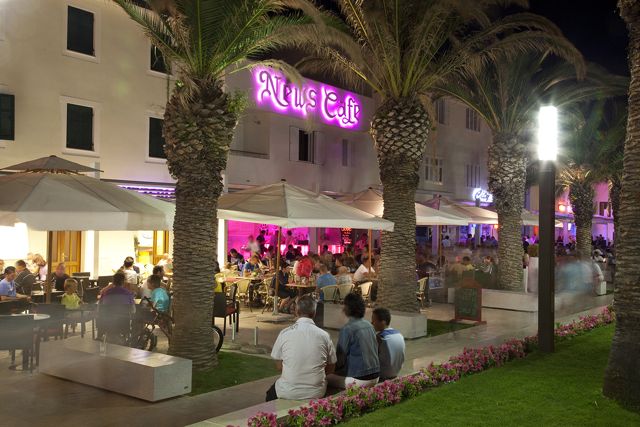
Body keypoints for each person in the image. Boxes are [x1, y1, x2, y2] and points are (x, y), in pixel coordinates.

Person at [267, 295, 336, 401]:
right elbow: (331, 367)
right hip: (316, 391)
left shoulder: (285, 333)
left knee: (269, 395)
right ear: (314, 313)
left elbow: (279, 366)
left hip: (287, 391)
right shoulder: (324, 335)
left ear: (296, 311)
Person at [327, 293, 380, 389]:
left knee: (325, 378)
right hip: (376, 376)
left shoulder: (347, 329)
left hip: (359, 379)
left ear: (347, 308)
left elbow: (340, 360)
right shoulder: (370, 326)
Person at [371, 308, 405, 381]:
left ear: (383, 322)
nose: (371, 323)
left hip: (382, 375)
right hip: (396, 373)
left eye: (374, 320)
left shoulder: (380, 337)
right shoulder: (399, 335)